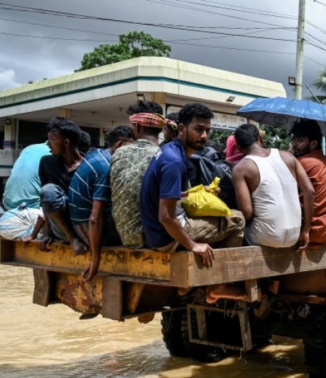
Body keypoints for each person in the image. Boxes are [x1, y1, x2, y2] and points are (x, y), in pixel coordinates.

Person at [140, 103, 246, 266]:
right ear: (182, 128)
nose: (204, 136)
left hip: (156, 232)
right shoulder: (174, 162)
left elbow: (173, 197)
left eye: (207, 131)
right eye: (198, 129)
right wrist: (193, 245)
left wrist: (200, 191)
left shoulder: (170, 150)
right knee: (238, 219)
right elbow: (166, 217)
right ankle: (218, 284)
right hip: (165, 237)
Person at [233, 123, 314, 249]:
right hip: (294, 235)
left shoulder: (241, 168)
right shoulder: (288, 156)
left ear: (238, 147)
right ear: (260, 138)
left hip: (267, 237)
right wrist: (306, 231)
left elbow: (247, 213)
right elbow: (309, 191)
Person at [69, 125, 133, 280]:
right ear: (119, 145)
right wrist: (95, 258)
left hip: (79, 220)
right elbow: (95, 218)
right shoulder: (107, 168)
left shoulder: (98, 154)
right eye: (130, 149)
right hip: (87, 226)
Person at [110, 100, 166, 248]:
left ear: (137, 126)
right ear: (160, 130)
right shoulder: (166, 156)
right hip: (153, 238)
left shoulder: (118, 153)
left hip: (125, 236)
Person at [30, 118, 88, 255]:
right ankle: (72, 239)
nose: (48, 144)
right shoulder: (47, 163)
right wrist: (47, 233)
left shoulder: (89, 166)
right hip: (62, 228)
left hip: (84, 225)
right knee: (48, 190)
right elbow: (47, 203)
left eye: (52, 139)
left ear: (66, 142)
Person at [290, 119, 326, 248]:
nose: (294, 145)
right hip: (324, 232)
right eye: (294, 140)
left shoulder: (304, 163)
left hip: (304, 233)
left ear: (313, 143)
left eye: (300, 141)